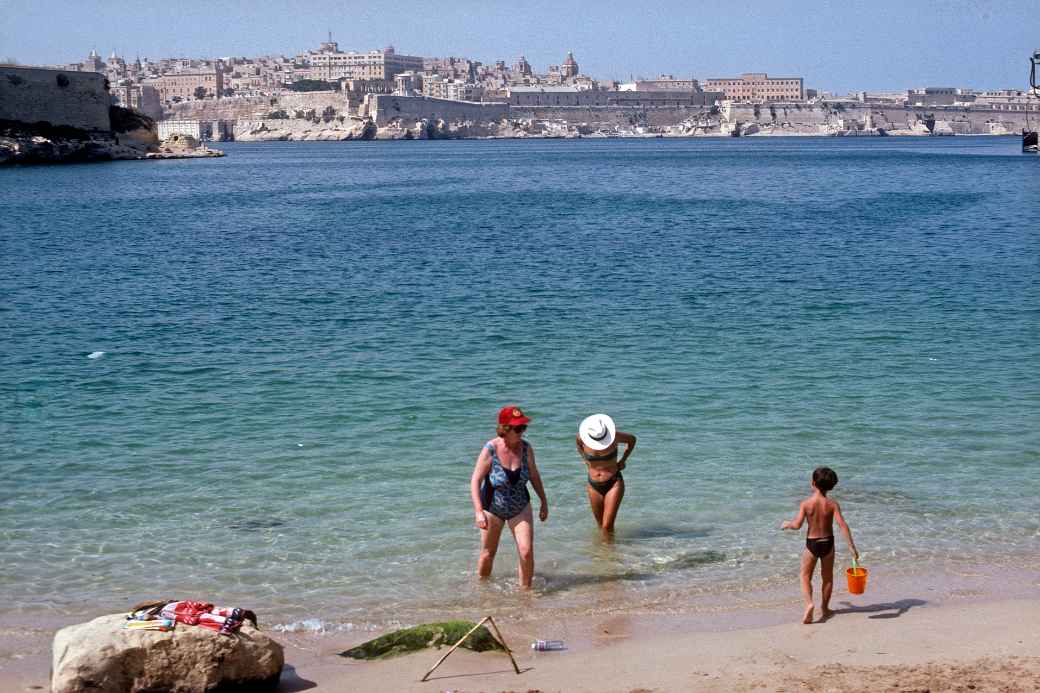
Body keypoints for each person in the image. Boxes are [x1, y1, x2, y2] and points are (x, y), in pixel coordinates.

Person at [469, 405, 548, 589]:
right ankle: (483, 590)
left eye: (523, 427)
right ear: (505, 428)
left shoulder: (526, 449)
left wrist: (544, 501)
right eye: (518, 428)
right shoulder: (490, 449)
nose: (522, 431)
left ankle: (526, 595)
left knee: (526, 551)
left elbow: (534, 476)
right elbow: (475, 480)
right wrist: (478, 511)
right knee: (488, 553)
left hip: (520, 506)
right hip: (492, 508)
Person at [781, 466, 860, 624]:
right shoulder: (832, 504)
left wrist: (787, 524)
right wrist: (852, 547)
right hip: (828, 543)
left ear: (813, 483)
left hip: (812, 544)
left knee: (804, 576)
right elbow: (842, 525)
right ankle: (825, 608)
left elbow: (797, 525)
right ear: (831, 486)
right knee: (828, 578)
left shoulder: (806, 504)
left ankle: (809, 604)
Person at [576, 413, 636, 534]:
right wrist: (585, 460)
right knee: (600, 526)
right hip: (593, 485)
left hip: (613, 482)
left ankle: (610, 551)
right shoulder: (581, 437)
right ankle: (604, 552)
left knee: (607, 526)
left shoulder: (614, 437)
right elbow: (579, 446)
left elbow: (632, 440)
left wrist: (623, 460)